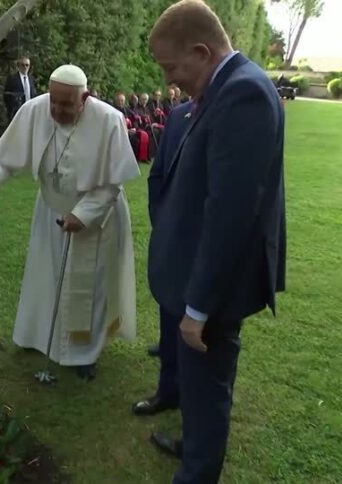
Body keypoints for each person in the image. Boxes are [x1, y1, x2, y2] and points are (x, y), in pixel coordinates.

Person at [146, 1, 287, 482]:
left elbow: (230, 213)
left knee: (208, 384)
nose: (171, 81)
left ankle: (197, 471)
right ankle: (195, 444)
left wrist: (198, 308)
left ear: (203, 52)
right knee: (199, 388)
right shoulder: (227, 86)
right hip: (198, 277)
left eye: (172, 67)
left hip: (214, 288)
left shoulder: (244, 94)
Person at [0, 65, 140, 381]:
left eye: (66, 104)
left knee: (91, 285)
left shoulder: (108, 120)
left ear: (84, 98)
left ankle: (85, 351)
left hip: (97, 216)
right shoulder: (34, 111)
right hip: (51, 211)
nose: (57, 110)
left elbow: (111, 184)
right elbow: (5, 159)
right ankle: (38, 336)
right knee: (47, 277)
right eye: (54, 102)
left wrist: (83, 215)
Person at [133, 99, 195, 417]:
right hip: (172, 237)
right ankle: (168, 391)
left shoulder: (228, 110)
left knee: (201, 330)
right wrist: (162, 219)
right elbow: (157, 174)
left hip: (204, 242)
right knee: (170, 316)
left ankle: (197, 406)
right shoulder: (178, 114)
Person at [3, 56, 37, 121]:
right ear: (18, 66)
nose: (25, 67)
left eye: (27, 65)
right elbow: (6, 95)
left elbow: (34, 94)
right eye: (23, 65)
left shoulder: (31, 79)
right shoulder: (12, 79)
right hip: (17, 112)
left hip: (30, 111)